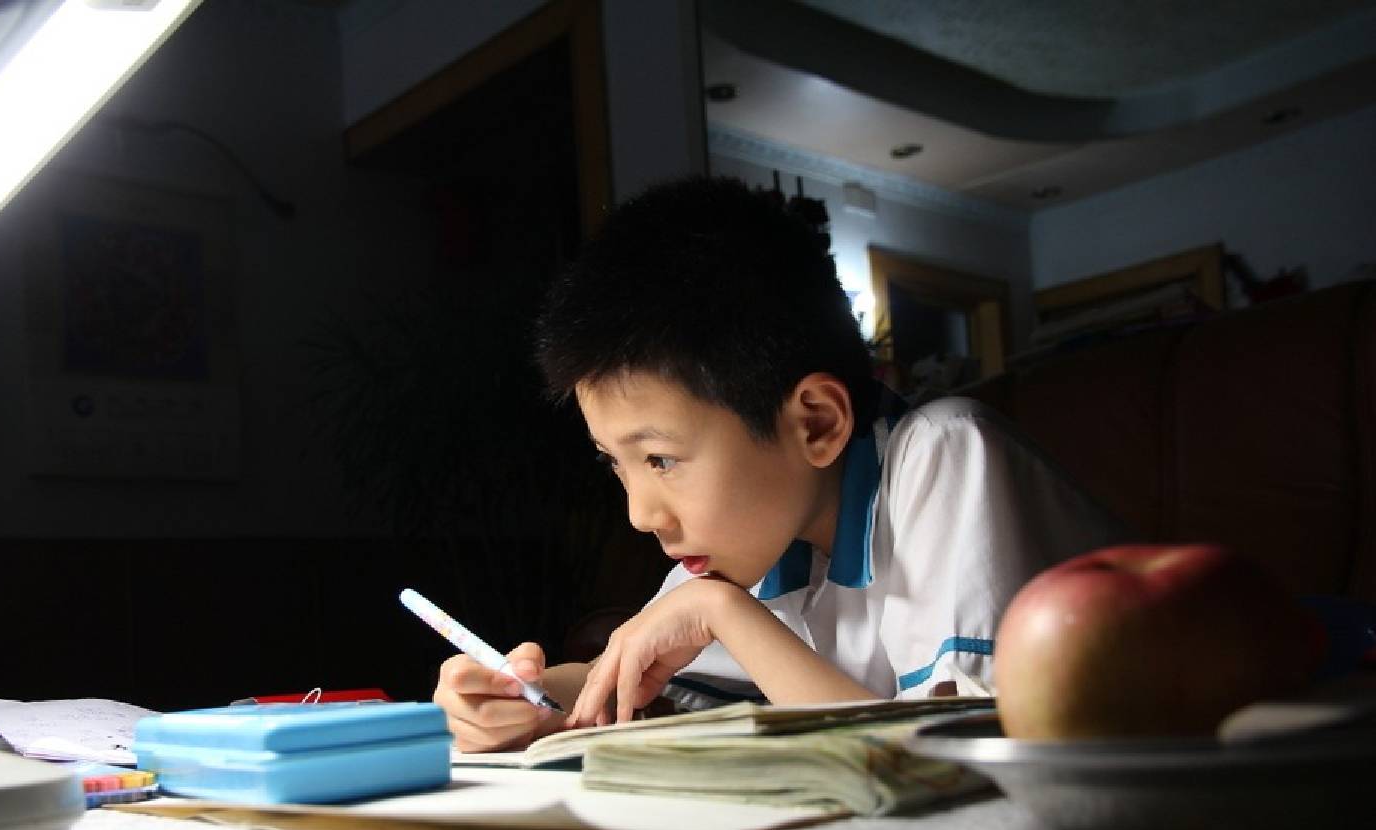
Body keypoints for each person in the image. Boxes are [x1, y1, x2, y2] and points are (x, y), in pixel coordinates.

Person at [432, 175, 1124, 751]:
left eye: (662, 459)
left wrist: (723, 612)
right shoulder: (758, 533)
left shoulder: (944, 452)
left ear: (816, 423)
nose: (641, 514)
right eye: (617, 463)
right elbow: (630, 669)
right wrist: (522, 693)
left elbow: (951, 756)